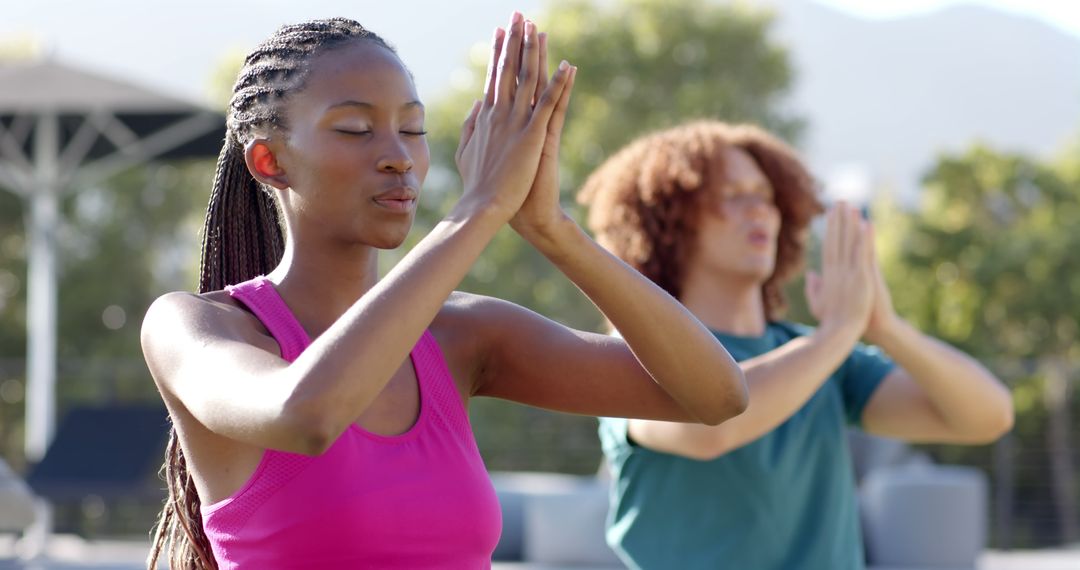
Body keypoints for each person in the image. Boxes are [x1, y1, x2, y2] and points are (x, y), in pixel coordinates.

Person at [139, 15, 748, 570]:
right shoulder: (193, 327)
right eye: (355, 129)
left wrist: (553, 230)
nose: (399, 157)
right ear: (270, 161)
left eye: (413, 128)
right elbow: (308, 414)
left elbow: (715, 395)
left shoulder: (461, 337)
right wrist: (477, 210)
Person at [578, 121, 1014, 570]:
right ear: (666, 218)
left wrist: (885, 328)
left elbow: (988, 416)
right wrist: (839, 333)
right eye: (732, 194)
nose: (760, 210)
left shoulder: (823, 356)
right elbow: (711, 427)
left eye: (766, 196)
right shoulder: (636, 354)